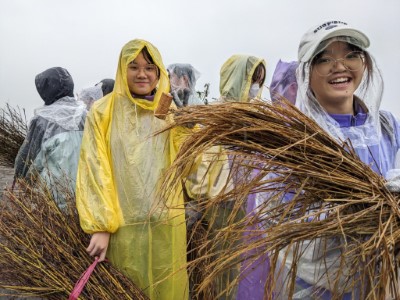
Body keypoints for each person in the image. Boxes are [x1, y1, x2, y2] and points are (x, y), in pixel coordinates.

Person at [271, 20, 400, 299]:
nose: (340, 66)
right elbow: (278, 217)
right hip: (320, 285)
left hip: (384, 278)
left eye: (351, 54)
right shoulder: (296, 138)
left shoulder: (388, 126)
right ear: (306, 73)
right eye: (324, 59)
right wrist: (353, 212)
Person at [75, 39, 188, 300]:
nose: (142, 74)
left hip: (165, 222)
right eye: (133, 66)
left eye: (149, 67)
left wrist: (194, 133)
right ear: (121, 70)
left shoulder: (167, 109)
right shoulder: (104, 111)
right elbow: (95, 166)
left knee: (166, 286)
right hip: (123, 226)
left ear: (159, 72)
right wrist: (102, 224)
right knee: (126, 288)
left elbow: (184, 162)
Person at [218, 54, 269, 299]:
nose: (256, 87)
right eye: (252, 80)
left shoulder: (261, 116)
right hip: (222, 204)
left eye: (260, 80)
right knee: (223, 264)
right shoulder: (216, 114)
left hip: (255, 201)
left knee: (249, 263)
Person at [14, 67, 86, 208]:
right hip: (87, 193)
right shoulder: (87, 115)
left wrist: (20, 178)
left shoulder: (42, 120)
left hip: (54, 195)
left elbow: (28, 157)